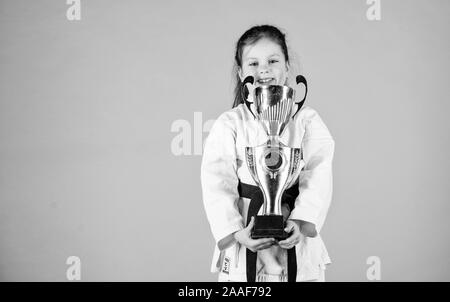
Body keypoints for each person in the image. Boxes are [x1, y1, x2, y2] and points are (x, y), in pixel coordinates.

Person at [201, 24, 335, 282]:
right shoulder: (231, 122)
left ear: (287, 68)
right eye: (253, 63)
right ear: (241, 73)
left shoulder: (307, 120)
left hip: (294, 233)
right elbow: (216, 182)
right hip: (247, 234)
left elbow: (318, 174)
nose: (263, 69)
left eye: (273, 60)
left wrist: (301, 220)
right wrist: (235, 232)